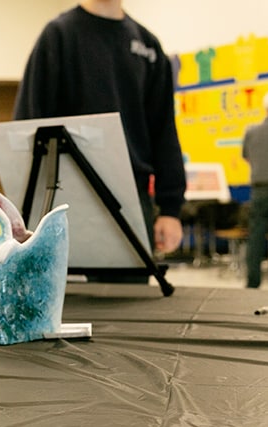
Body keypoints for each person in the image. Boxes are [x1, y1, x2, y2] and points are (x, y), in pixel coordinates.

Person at [13, 0, 186, 256]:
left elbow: (164, 132)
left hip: (131, 199)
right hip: (65, 199)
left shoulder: (148, 45)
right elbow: (29, 125)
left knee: (131, 294)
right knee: (69, 293)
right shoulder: (58, 35)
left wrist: (170, 209)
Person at [242, 92, 268, 288]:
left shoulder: (251, 132)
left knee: (256, 235)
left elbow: (247, 157)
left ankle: (252, 282)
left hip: (259, 189)